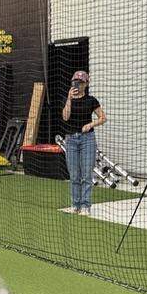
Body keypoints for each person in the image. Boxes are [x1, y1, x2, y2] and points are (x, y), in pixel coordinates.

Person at [61, 70, 107, 215]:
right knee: (74, 175)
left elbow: (102, 118)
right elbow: (65, 117)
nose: (78, 85)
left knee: (86, 174)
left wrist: (90, 125)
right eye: (76, 82)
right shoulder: (68, 99)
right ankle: (75, 205)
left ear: (86, 84)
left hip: (87, 139)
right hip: (71, 139)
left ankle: (86, 206)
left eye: (81, 82)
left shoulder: (91, 100)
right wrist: (69, 98)